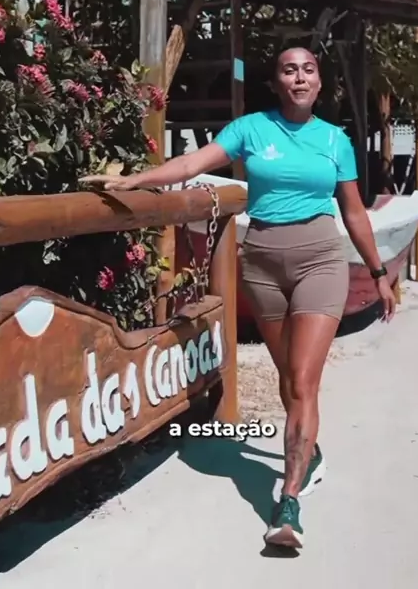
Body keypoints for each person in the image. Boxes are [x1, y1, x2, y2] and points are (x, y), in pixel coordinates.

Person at [79, 46, 396, 549]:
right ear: (276, 82)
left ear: (319, 82)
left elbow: (353, 212)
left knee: (303, 381)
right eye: (289, 70)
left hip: (320, 262)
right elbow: (192, 162)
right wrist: (136, 179)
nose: (300, 78)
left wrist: (377, 272)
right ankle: (308, 451)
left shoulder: (335, 140)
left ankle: (287, 502)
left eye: (308, 70)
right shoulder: (251, 129)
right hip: (262, 266)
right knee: (287, 379)